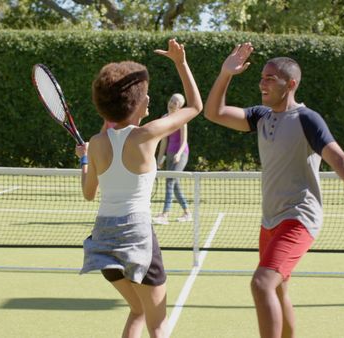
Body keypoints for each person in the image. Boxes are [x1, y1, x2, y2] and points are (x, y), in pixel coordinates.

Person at [204, 42, 344, 338]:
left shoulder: (307, 119)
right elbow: (214, 112)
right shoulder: (261, 117)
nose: (262, 83)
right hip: (270, 220)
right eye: (262, 77)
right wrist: (226, 73)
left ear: (290, 84)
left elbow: (338, 156)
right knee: (277, 290)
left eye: (270, 78)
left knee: (261, 283)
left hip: (299, 217)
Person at [75, 38, 203, 338]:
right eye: (145, 95)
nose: (149, 99)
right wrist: (181, 63)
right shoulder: (147, 134)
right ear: (136, 103)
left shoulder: (96, 143)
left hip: (103, 239)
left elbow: (88, 192)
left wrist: (83, 160)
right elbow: (196, 106)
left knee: (138, 311)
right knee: (158, 324)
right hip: (136, 234)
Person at [152, 93, 192, 225]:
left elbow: (184, 140)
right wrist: (159, 160)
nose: (172, 103)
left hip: (181, 154)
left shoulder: (182, 120)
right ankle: (187, 213)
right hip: (169, 154)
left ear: (180, 107)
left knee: (170, 182)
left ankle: (165, 215)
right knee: (174, 185)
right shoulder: (164, 118)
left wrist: (179, 154)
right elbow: (163, 141)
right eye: (171, 100)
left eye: (176, 102)